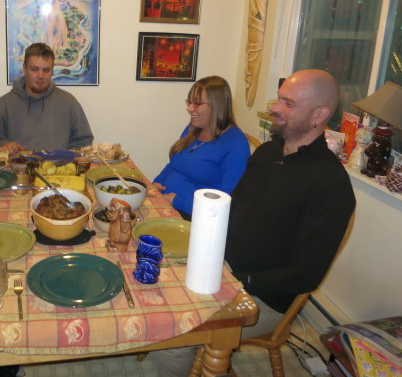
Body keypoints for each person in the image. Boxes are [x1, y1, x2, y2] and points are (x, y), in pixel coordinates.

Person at [149, 69, 356, 376]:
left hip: (261, 295)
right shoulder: (269, 152)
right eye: (278, 98)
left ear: (319, 114)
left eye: (288, 103)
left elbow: (305, 274)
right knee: (151, 280)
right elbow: (231, 208)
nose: (274, 107)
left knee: (173, 332)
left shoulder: (330, 185)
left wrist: (239, 280)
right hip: (223, 264)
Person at [152, 76, 250, 220]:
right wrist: (156, 183)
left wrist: (178, 201)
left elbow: (225, 202)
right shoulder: (193, 128)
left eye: (197, 104)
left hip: (196, 217)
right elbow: (175, 164)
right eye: (189, 102)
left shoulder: (236, 145)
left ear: (217, 106)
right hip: (168, 205)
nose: (189, 108)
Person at [0, 42, 94, 152]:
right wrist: (4, 146)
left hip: (58, 167)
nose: (40, 76)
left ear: (52, 70)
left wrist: (67, 158)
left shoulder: (69, 102)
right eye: (34, 69)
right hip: (17, 168)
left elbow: (84, 141)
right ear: (24, 68)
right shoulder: (4, 104)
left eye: (46, 70)